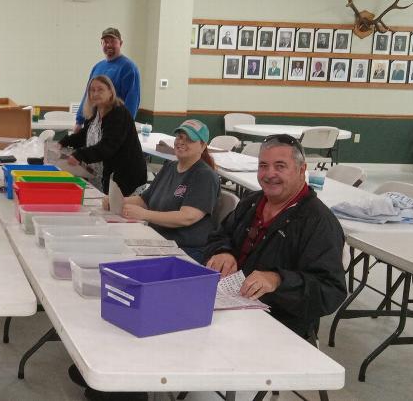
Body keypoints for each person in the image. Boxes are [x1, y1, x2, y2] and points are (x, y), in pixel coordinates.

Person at [205, 134, 347, 339]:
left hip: (279, 328)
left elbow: (330, 291)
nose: (269, 174)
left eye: (280, 166)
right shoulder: (251, 202)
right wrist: (223, 252)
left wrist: (279, 280)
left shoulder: (318, 222)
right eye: (263, 166)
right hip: (229, 312)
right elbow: (218, 236)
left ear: (301, 170)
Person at [117, 120, 219, 262]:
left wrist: (145, 215)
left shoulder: (204, 176)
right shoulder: (170, 166)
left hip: (185, 249)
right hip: (158, 240)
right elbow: (144, 200)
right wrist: (117, 201)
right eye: (179, 137)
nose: (181, 142)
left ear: (202, 146)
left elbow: (187, 217)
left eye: (189, 139)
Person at [60, 75, 147, 195]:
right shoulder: (95, 112)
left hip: (125, 176)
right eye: (92, 90)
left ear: (111, 92)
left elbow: (108, 146)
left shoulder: (118, 113)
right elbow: (84, 135)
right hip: (101, 174)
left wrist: (79, 155)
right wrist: (63, 142)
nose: (95, 93)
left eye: (100, 89)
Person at [74, 28, 141, 129]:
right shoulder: (97, 67)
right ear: (101, 44)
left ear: (121, 43)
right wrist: (79, 121)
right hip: (94, 124)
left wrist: (123, 128)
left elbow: (132, 100)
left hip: (115, 125)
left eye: (113, 41)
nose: (109, 45)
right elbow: (87, 96)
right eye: (105, 42)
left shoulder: (129, 68)